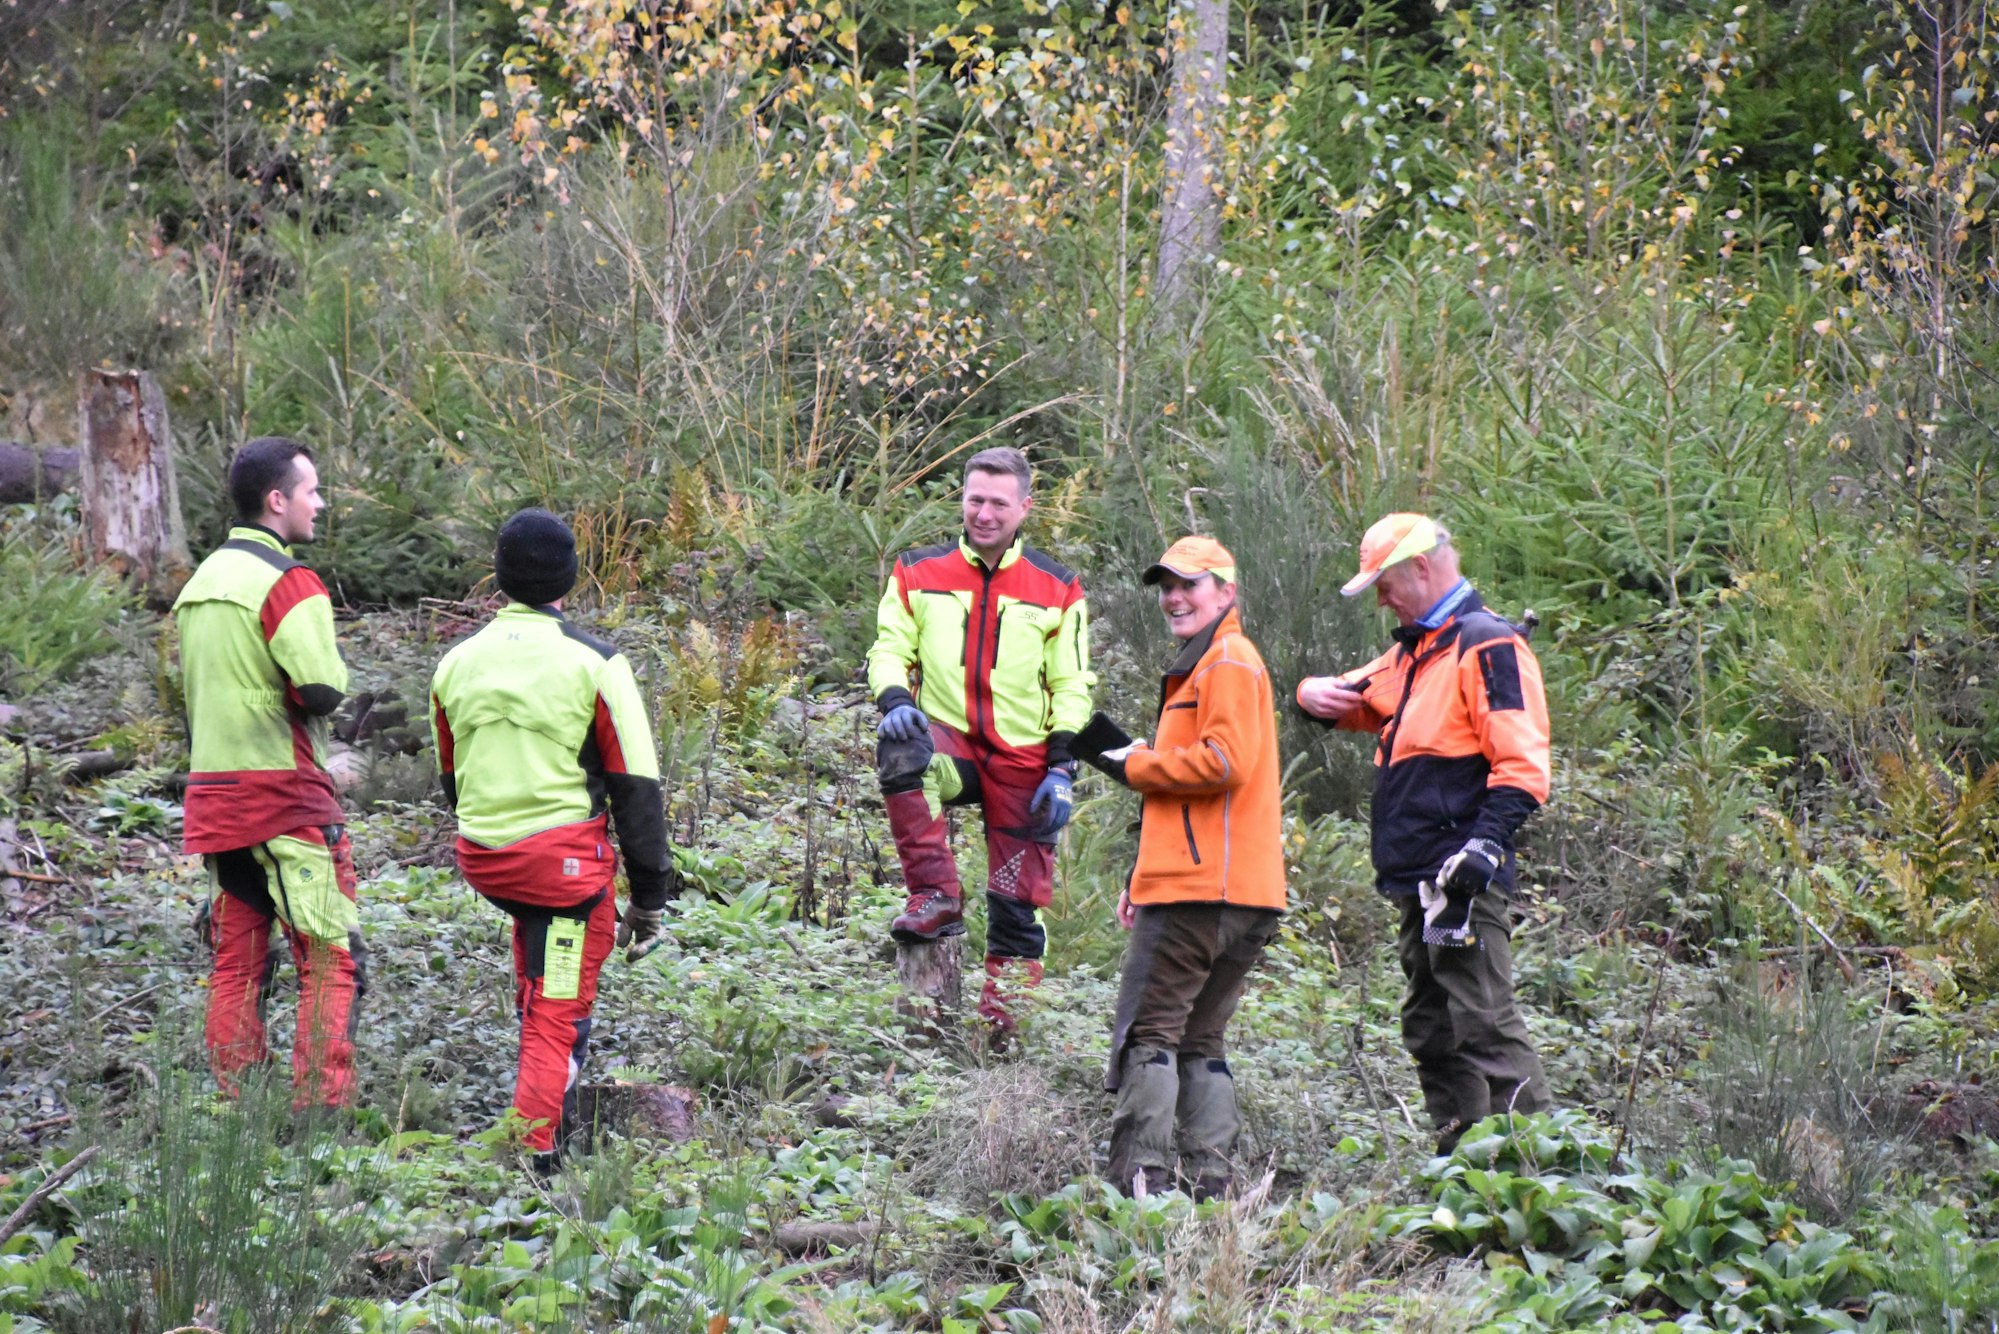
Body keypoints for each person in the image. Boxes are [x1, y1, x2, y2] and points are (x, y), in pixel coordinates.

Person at [1296, 513, 1553, 1154]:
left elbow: (1523, 765)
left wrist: (1484, 845)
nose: (1379, 596)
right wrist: (1311, 693)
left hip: (1459, 877)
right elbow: (1352, 694)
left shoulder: (1485, 643)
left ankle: (1548, 1180)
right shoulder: (1416, 650)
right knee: (1432, 1026)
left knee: (1484, 1023)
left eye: (1384, 582)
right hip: (1422, 879)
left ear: (1421, 567)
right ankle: (1466, 1174)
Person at [429, 509, 678, 1164]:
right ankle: (532, 1161)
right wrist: (650, 897)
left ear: (501, 576)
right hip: (560, 874)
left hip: (486, 859)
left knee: (542, 968)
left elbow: (452, 781)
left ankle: (547, 1090)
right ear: (569, 575)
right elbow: (636, 787)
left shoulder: (455, 662)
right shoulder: (595, 662)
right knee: (556, 1011)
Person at [1073, 537, 1285, 1199]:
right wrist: (1142, 877)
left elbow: (1223, 764)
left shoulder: (1225, 661)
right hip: (1240, 889)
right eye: (1166, 585)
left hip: (1201, 890)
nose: (1173, 596)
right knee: (1200, 1038)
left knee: (1152, 1032)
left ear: (1226, 593)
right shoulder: (1217, 662)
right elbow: (1198, 794)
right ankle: (1209, 1184)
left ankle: (1140, 1184)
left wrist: (1130, 763)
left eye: (1189, 585)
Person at [865, 446, 1095, 1036]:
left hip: (1027, 760)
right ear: (961, 500)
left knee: (1017, 904)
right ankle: (934, 894)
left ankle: (1004, 1030)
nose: (984, 513)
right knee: (899, 751)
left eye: (998, 502)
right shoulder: (918, 570)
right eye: (975, 499)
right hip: (950, 747)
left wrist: (1063, 766)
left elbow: (1072, 682)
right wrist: (894, 698)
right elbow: (889, 645)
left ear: (1024, 507)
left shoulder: (1058, 586)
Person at [175, 436, 361, 1110]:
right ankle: (321, 1111)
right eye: (312, 491)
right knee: (327, 955)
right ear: (276, 500)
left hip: (214, 801)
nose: (320, 503)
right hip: (284, 802)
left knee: (236, 963)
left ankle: (239, 1108)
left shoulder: (200, 585)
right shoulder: (287, 581)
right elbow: (319, 688)